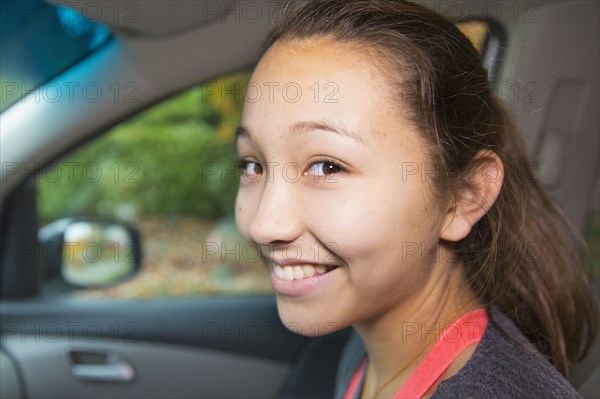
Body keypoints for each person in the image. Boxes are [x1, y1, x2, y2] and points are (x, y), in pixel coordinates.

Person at [234, 0, 598, 397]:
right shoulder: (364, 344)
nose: (263, 225)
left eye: (327, 167)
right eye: (253, 165)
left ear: (464, 197)